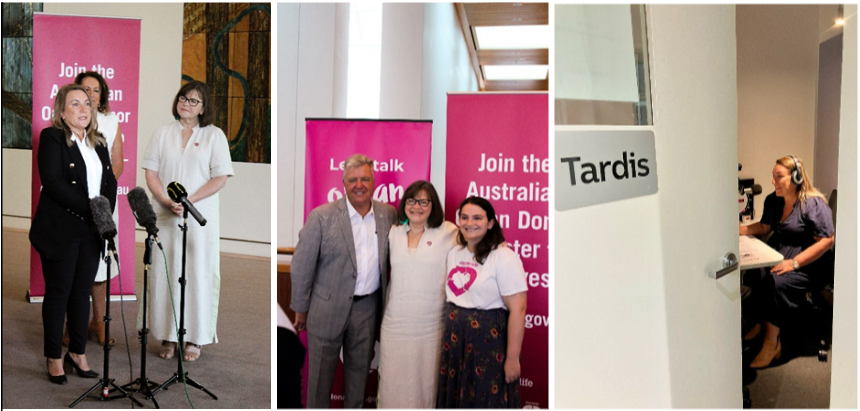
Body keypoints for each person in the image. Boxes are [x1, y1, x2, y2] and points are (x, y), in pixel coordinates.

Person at [290, 154, 397, 408]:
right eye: (353, 180)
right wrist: (300, 309)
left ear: (373, 182)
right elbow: (302, 265)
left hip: (368, 310)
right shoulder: (322, 216)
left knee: (359, 382)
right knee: (318, 383)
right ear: (343, 183)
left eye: (365, 179)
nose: (359, 185)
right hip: (325, 309)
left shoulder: (388, 214)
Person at [30, 84, 117, 384]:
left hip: (91, 231)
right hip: (60, 229)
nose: (83, 109)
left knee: (82, 294)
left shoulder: (100, 142)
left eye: (87, 105)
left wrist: (103, 219)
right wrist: (91, 211)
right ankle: (54, 357)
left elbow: (110, 183)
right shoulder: (53, 137)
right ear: (62, 112)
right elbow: (53, 182)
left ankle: (77, 353)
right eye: (75, 104)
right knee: (59, 294)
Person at [142, 81, 234, 362]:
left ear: (204, 107)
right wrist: (165, 200)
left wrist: (188, 200)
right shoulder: (162, 133)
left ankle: (195, 338)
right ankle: (169, 336)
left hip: (198, 216)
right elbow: (151, 173)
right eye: (183, 98)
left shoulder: (213, 135)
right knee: (166, 273)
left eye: (194, 101)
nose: (187, 104)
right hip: (167, 213)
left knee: (197, 274)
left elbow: (220, 177)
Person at [740, 155, 834, 368]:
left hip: (808, 262)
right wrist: (740, 230)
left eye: (779, 177)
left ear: (797, 177)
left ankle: (771, 343)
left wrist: (794, 263)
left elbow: (827, 241)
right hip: (780, 253)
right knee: (757, 272)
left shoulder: (812, 204)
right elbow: (765, 227)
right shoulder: (773, 200)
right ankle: (760, 321)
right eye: (772, 177)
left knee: (776, 281)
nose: (773, 182)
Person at [436, 196, 527, 408]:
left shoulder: (503, 257)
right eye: (465, 217)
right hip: (456, 341)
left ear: (491, 223)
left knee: (484, 398)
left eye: (477, 218)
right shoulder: (455, 253)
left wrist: (512, 359)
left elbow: (519, 309)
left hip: (488, 343)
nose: (470, 223)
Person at [378, 181, 458, 408]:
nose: (417, 207)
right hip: (395, 326)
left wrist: (498, 245)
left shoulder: (449, 232)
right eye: (412, 200)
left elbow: (476, 244)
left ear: (433, 206)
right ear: (405, 204)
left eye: (424, 201)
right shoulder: (394, 233)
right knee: (392, 385)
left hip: (430, 328)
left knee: (426, 386)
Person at [59, 71, 124, 347]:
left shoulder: (110, 122)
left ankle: (99, 322)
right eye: (85, 90)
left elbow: (116, 164)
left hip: (103, 206)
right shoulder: (65, 127)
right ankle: (71, 325)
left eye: (95, 90)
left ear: (102, 95)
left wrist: (101, 201)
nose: (90, 95)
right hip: (75, 207)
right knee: (73, 269)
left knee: (100, 269)